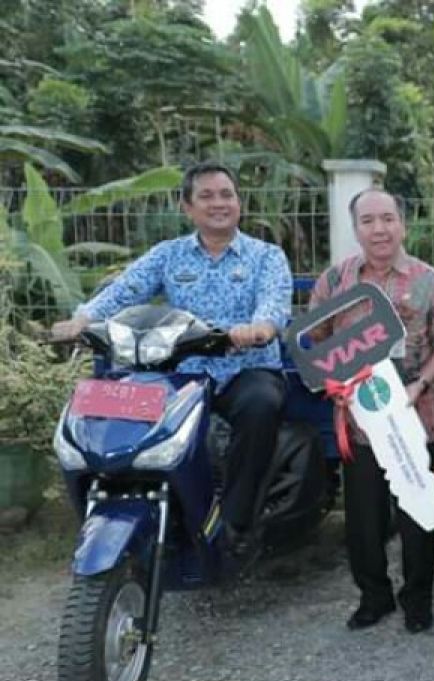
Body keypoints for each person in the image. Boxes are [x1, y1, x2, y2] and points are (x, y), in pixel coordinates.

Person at [50, 162, 293, 557]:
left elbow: (273, 300)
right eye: (207, 196)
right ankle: (147, 506)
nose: (219, 204)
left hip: (244, 368)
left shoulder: (266, 256)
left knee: (261, 405)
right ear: (187, 207)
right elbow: (125, 290)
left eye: (226, 195)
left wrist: (260, 327)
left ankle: (235, 523)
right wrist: (82, 319)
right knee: (124, 415)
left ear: (239, 203)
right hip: (182, 373)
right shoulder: (168, 255)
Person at [308, 188, 434, 633]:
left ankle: (418, 601)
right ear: (355, 228)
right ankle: (373, 598)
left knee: (417, 513)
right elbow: (316, 338)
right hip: (358, 422)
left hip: (415, 416)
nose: (379, 229)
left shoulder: (430, 281)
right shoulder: (336, 282)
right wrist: (339, 383)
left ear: (403, 224)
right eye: (369, 220)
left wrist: (420, 384)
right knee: (363, 518)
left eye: (388, 219)